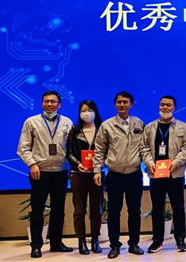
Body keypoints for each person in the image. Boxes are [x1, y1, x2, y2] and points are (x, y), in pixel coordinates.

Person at [18, 91, 74, 258]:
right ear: (42, 103)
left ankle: (56, 242)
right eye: (46, 101)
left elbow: (71, 149)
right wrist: (32, 164)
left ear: (59, 105)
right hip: (39, 172)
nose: (49, 104)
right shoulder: (31, 121)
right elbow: (23, 147)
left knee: (58, 209)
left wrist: (73, 167)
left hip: (60, 172)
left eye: (53, 101)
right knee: (37, 210)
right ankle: (36, 245)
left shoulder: (67, 122)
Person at [93, 91, 145, 259]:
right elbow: (99, 150)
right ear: (115, 104)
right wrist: (96, 170)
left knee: (134, 211)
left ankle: (134, 243)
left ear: (131, 104)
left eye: (125, 102)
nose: (122, 105)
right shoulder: (107, 125)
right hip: (114, 175)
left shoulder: (139, 123)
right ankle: (114, 245)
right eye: (119, 102)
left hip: (134, 174)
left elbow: (144, 148)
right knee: (114, 211)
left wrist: (149, 166)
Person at [140, 95, 186, 253]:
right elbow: (143, 148)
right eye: (162, 104)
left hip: (175, 174)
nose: (165, 107)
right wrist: (149, 163)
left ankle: (180, 240)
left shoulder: (183, 127)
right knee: (157, 208)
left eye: (168, 105)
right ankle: (158, 240)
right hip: (155, 174)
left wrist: (175, 162)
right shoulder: (149, 127)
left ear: (174, 108)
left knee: (178, 207)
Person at [66, 100, 104, 255]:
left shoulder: (102, 130)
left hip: (97, 175)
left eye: (89, 110)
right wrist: (77, 164)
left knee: (96, 210)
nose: (86, 113)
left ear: (95, 111)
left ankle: (95, 240)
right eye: (83, 111)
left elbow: (107, 151)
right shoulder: (74, 131)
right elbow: (69, 152)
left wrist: (99, 167)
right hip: (78, 174)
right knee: (79, 210)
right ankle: (81, 241)